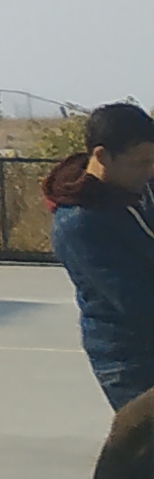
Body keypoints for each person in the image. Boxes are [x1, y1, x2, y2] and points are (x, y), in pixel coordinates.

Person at [50, 103, 154, 409]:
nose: (150, 170)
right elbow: (138, 301)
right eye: (142, 162)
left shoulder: (139, 188)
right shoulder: (80, 223)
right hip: (130, 361)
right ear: (102, 156)